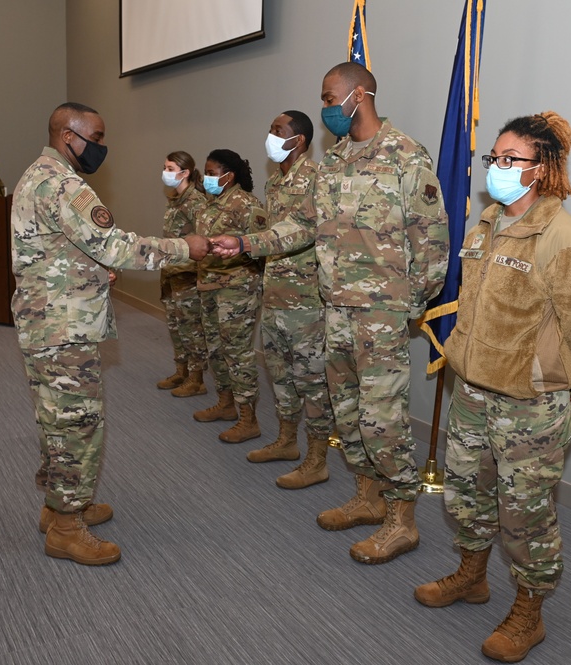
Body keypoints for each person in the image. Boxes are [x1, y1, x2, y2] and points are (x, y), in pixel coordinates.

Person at [211, 63, 448, 563]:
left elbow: (432, 238)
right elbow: (302, 227)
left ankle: (401, 520)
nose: (324, 108)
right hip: (334, 309)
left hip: (381, 314)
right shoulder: (335, 162)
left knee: (383, 418)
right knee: (348, 410)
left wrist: (409, 302)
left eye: (328, 97)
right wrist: (247, 242)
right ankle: (367, 497)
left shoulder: (405, 154)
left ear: (358, 95)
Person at [412, 112, 571, 663]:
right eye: (494, 159)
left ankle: (529, 611)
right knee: (466, 494)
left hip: (529, 405)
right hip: (473, 392)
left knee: (524, 513)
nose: (497, 169)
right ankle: (472, 576)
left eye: (511, 160)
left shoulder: (564, 239)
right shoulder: (486, 227)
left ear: (543, 169)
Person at [11, 102, 209, 566]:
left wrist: (91, 269)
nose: (102, 147)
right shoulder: (64, 184)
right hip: (63, 326)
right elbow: (115, 244)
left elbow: (56, 249)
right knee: (78, 424)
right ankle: (65, 527)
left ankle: (57, 506)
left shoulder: (35, 174)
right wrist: (187, 247)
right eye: (96, 138)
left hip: (46, 317)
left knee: (56, 419)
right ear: (68, 136)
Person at [244, 111, 335, 490]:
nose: (270, 136)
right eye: (269, 130)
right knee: (280, 376)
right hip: (275, 296)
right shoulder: (275, 183)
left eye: (277, 131)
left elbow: (306, 231)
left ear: (298, 140)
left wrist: (247, 244)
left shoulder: (317, 178)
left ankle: (317, 460)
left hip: (306, 302)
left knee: (311, 382)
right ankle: (286, 442)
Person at [191, 149, 268, 443]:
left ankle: (249, 419)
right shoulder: (209, 205)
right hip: (208, 285)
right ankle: (225, 405)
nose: (207, 178)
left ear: (228, 175)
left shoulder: (246, 205)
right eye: (206, 172)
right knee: (215, 349)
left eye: (211, 173)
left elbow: (261, 246)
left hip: (237, 289)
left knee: (237, 353)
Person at [156, 151, 210, 398]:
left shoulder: (195, 202)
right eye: (165, 167)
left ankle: (197, 379)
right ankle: (182, 371)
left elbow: (201, 244)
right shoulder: (174, 200)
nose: (165, 172)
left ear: (185, 172)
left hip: (187, 277)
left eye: (170, 168)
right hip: (171, 276)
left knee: (192, 329)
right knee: (176, 327)